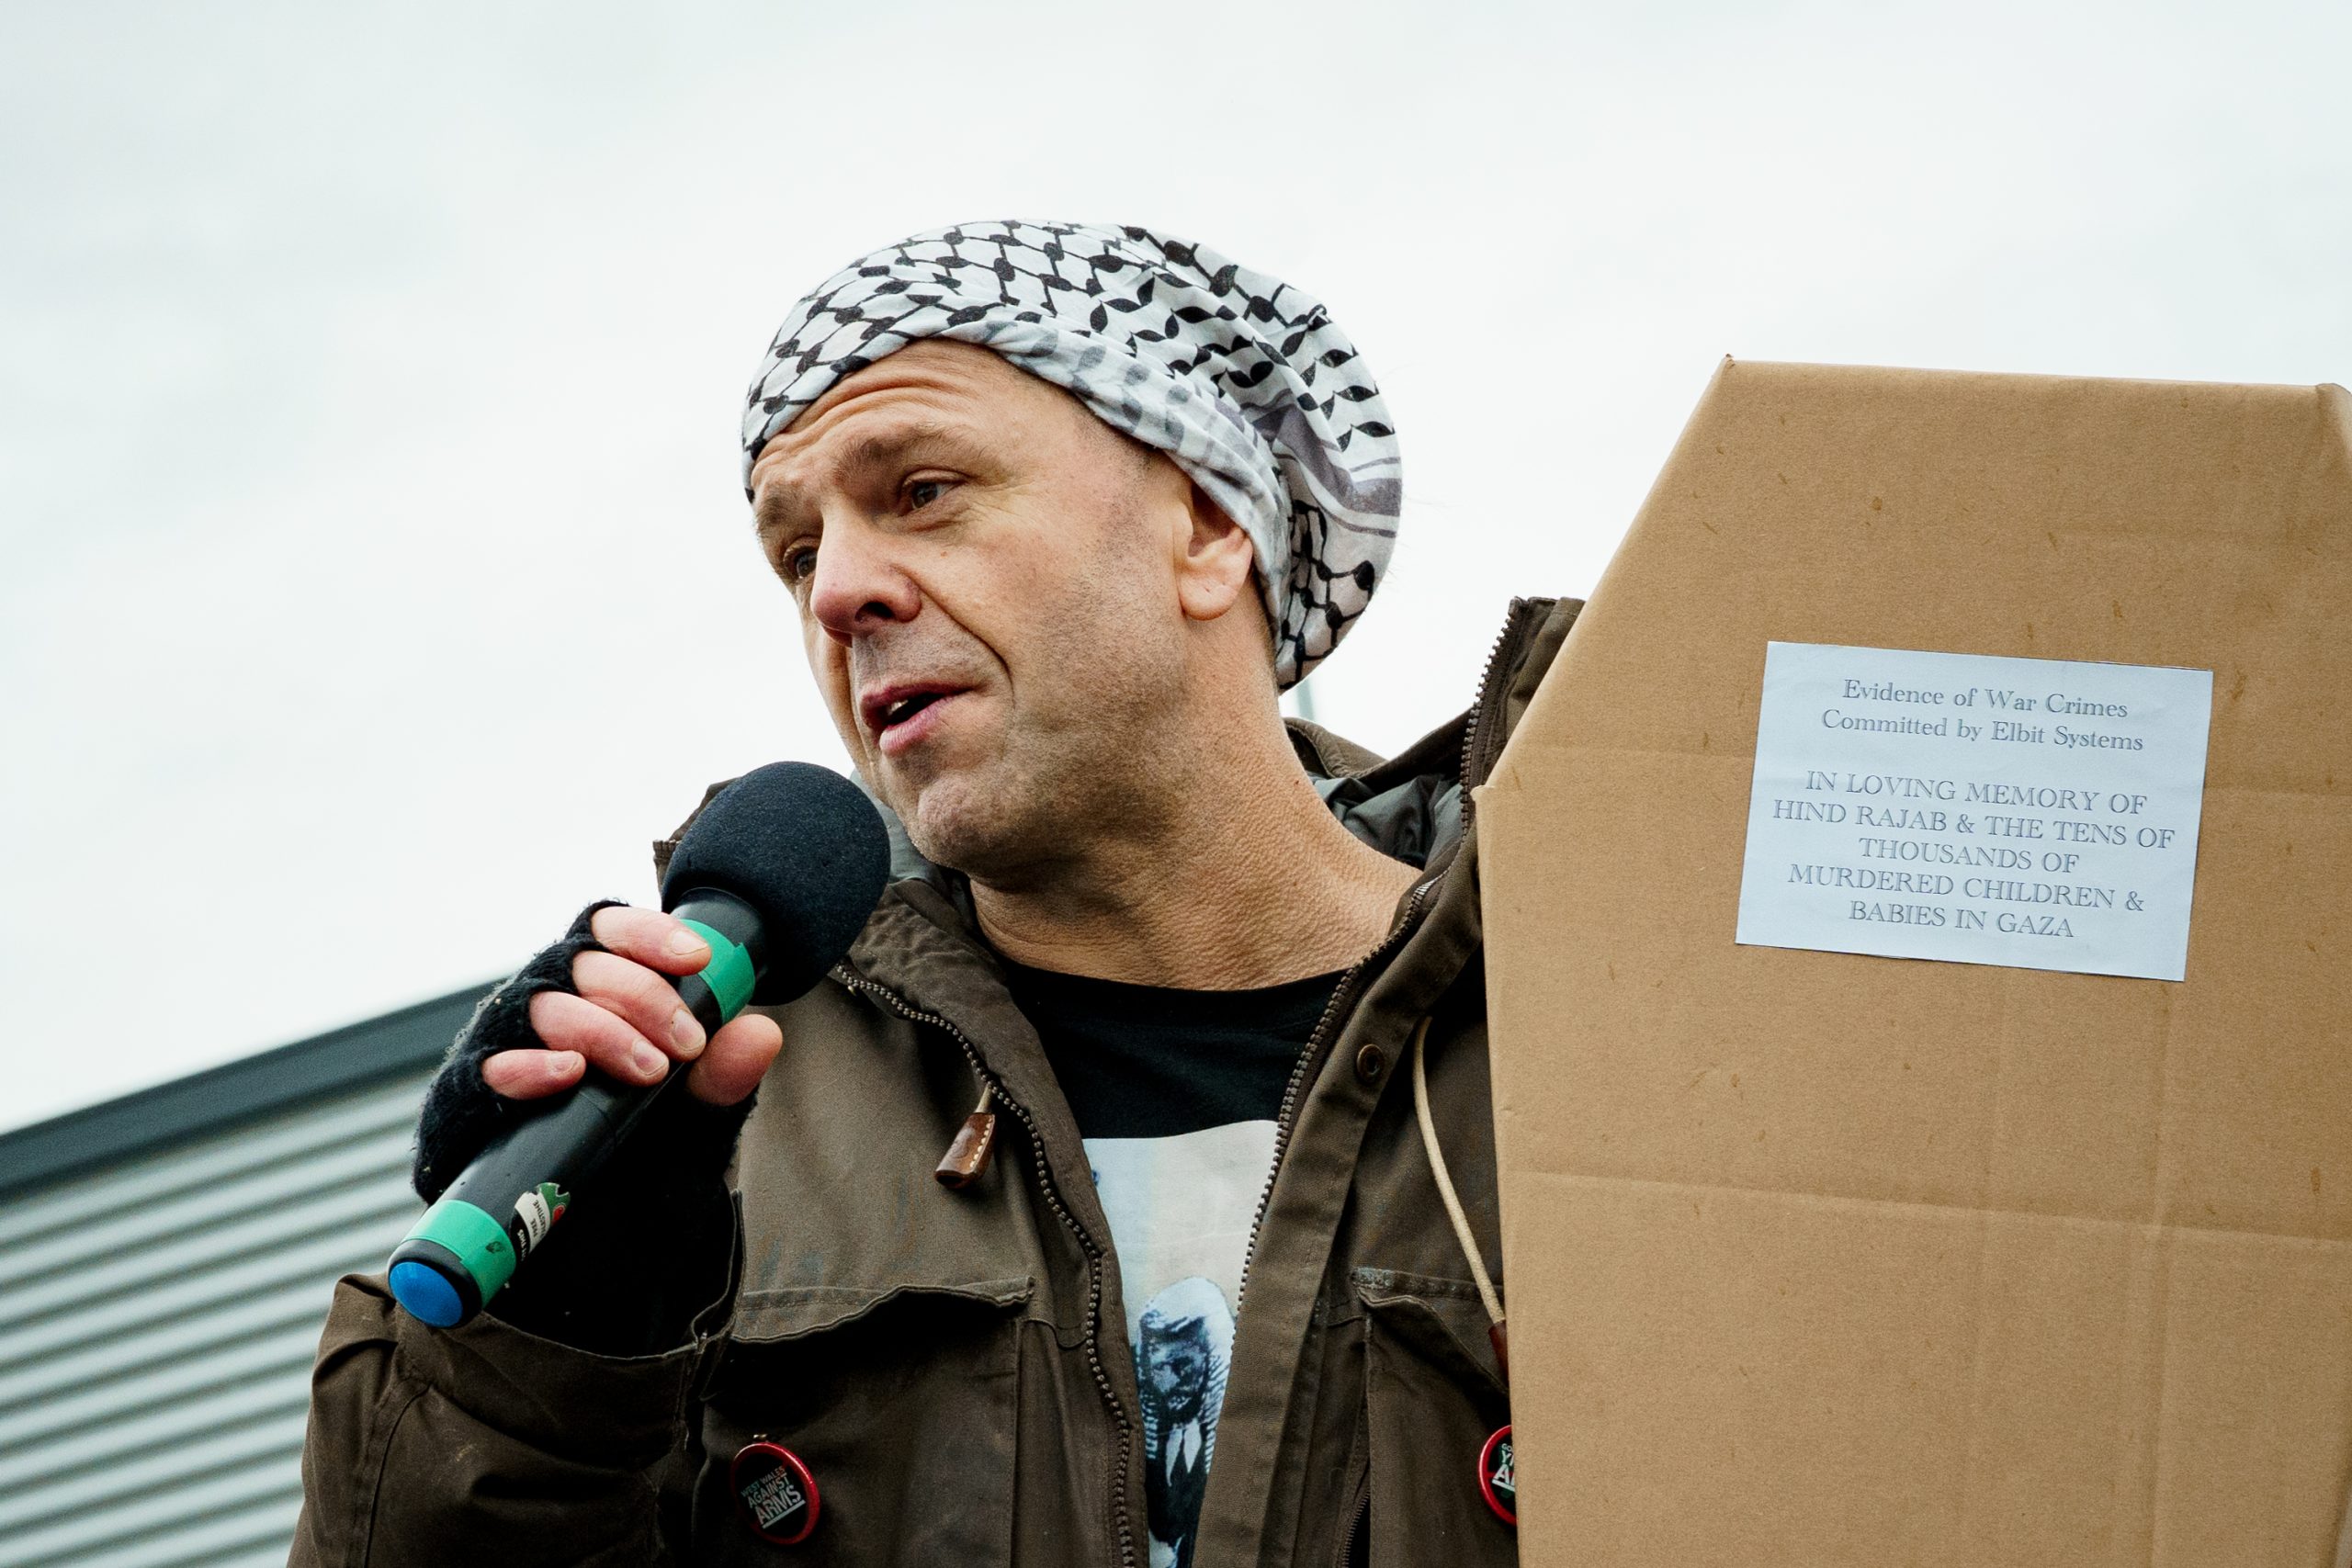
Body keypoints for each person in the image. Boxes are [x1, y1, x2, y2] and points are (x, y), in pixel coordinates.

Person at [291, 220, 1578, 1567]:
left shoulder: (1627, 1013)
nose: (840, 592)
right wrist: (551, 1357)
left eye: (921, 492)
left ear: (1206, 524)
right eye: (797, 556)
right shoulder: (715, 1121)